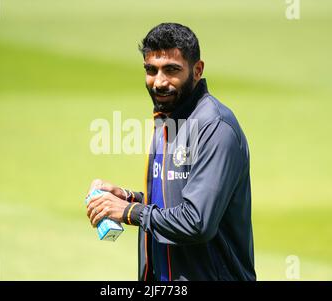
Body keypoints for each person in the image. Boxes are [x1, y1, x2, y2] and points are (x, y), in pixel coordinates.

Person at [86, 23, 256, 281]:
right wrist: (127, 198)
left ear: (197, 70)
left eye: (171, 70)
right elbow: (174, 202)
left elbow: (196, 221)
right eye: (151, 70)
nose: (159, 82)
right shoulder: (167, 120)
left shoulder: (215, 128)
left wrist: (129, 212)